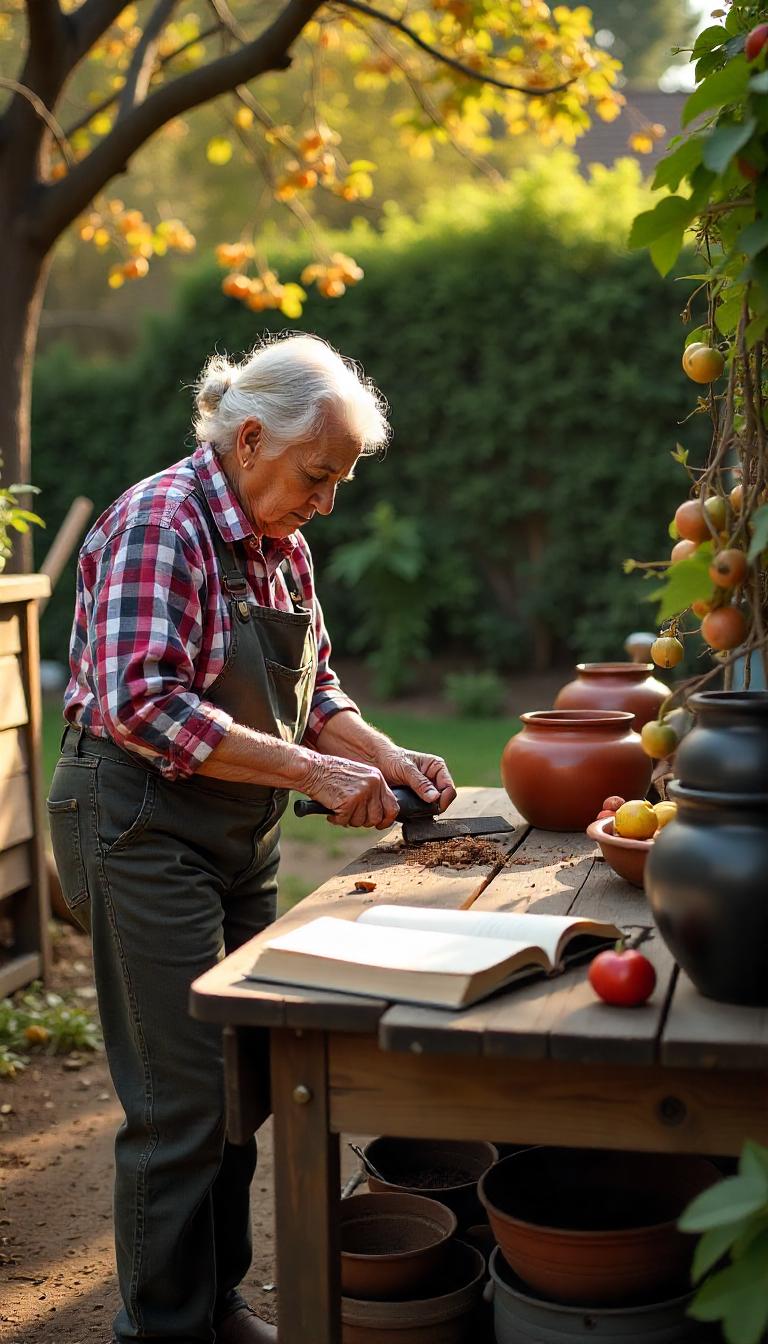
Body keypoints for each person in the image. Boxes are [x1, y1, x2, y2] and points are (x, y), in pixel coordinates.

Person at [47, 333, 457, 1344]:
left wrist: (386, 754)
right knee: (183, 1099)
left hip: (236, 834)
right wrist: (315, 773)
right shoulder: (160, 521)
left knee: (244, 1086)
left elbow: (313, 691)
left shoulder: (285, 546)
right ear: (248, 440)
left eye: (339, 482)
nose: (325, 502)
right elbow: (144, 706)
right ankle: (164, 1327)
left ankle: (215, 1300)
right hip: (138, 822)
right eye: (318, 476)